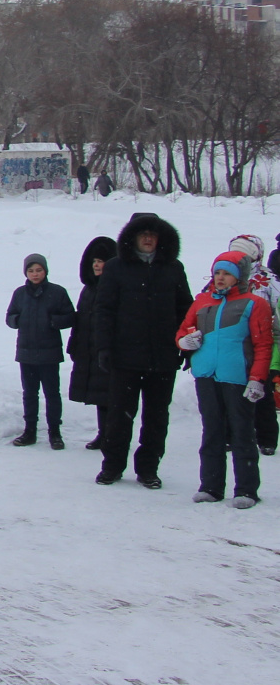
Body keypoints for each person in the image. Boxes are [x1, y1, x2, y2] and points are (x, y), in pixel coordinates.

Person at [92, 213, 191, 489]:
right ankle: (112, 466)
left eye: (153, 234)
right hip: (125, 357)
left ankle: (148, 468)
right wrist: (104, 347)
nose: (148, 239)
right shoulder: (115, 267)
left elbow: (186, 309)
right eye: (142, 234)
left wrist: (186, 343)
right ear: (133, 238)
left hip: (163, 357)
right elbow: (104, 310)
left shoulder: (173, 268)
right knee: (119, 416)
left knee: (157, 417)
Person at [176, 251, 271, 508]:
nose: (220, 278)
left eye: (227, 273)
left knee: (242, 432)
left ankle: (247, 490)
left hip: (238, 377)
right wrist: (184, 341)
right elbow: (184, 328)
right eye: (217, 272)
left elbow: (263, 345)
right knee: (212, 431)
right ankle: (211, 486)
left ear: (238, 277)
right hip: (206, 375)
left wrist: (257, 379)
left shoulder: (254, 304)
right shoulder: (202, 301)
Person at [6, 253, 76, 449]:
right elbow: (10, 316)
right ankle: (30, 431)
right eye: (31, 271)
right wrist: (17, 321)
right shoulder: (19, 293)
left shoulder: (58, 292)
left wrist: (54, 321)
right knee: (29, 393)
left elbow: (71, 316)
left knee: (52, 393)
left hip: (49, 353)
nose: (35, 274)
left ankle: (55, 432)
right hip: (26, 353)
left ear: (45, 271)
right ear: (25, 273)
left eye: (39, 270)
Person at [226, 234, 280, 456]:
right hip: (231, 344)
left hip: (261, 344)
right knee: (231, 391)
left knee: (262, 390)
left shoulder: (269, 281)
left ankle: (266, 437)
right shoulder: (224, 275)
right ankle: (231, 434)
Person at [66, 236, 120, 450]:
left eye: (102, 260)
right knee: (99, 396)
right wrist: (74, 343)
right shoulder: (88, 289)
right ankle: (103, 433)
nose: (97, 265)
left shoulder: (115, 288)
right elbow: (80, 319)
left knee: (111, 396)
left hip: (108, 350)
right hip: (89, 348)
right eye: (94, 261)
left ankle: (112, 435)